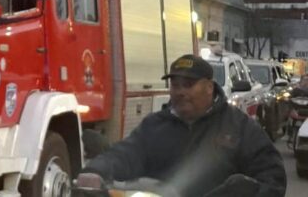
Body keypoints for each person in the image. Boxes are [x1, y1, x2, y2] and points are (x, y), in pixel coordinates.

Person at [76, 54, 286, 197]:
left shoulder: (239, 126)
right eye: (176, 85)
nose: (180, 91)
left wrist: (253, 192)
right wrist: (96, 171)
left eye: (188, 85)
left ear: (209, 87)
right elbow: (126, 153)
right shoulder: (155, 125)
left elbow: (272, 176)